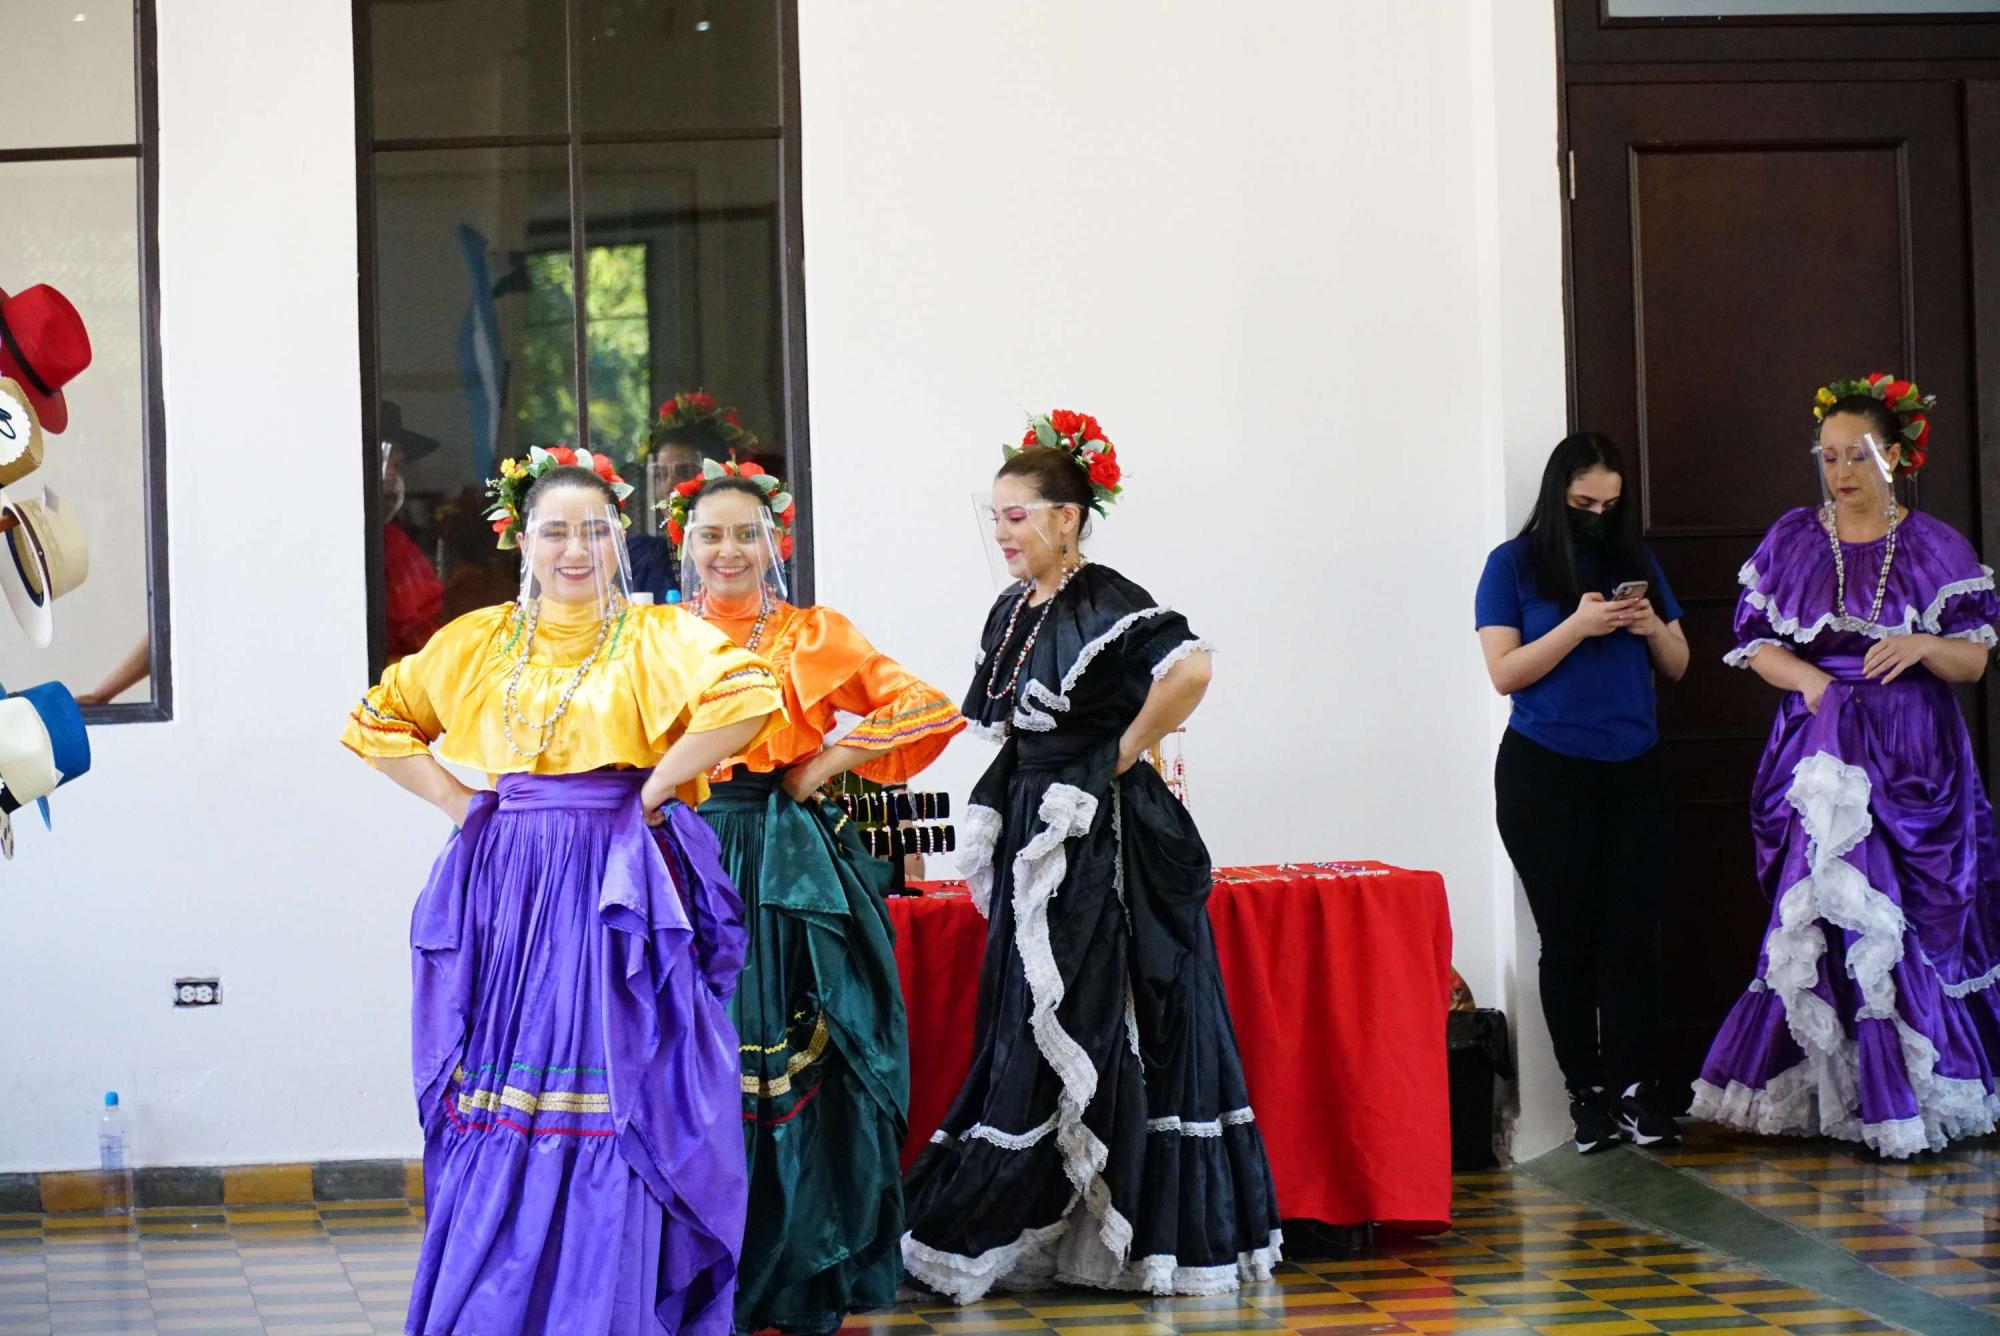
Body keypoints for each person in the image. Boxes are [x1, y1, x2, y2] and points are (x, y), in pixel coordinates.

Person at [341, 455, 784, 1335]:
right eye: (556, 531)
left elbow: (751, 693)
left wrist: (654, 791)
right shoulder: (480, 639)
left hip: (617, 877)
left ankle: (607, 1303)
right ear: (523, 544)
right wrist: (462, 802)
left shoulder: (657, 637)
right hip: (512, 884)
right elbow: (376, 720)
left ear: (621, 540)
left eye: (594, 530)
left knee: (618, 1078)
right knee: (513, 1081)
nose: (575, 549)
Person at [901, 411, 1280, 1300]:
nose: (1003, 532)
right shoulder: (1015, 609)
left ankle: (1123, 1230)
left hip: (1096, 834)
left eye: (1017, 515)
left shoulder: (1105, 595)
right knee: (1032, 1006)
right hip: (1040, 811)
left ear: (1066, 518)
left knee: (1093, 1007)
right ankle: (1061, 1221)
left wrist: (1117, 753)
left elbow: (1189, 667)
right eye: (995, 516)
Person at [665, 458, 965, 1334]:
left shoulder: (811, 633)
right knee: (690, 1051)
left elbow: (928, 706)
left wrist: (828, 761)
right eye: (711, 535)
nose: (729, 550)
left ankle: (794, 1267)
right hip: (682, 853)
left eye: (745, 534)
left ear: (774, 543)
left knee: (790, 1052)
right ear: (687, 545)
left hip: (783, 858)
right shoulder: (656, 636)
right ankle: (692, 1266)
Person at [1692, 374, 2000, 1158]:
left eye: (1857, 456)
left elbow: (1971, 664)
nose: (1841, 473)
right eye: (1828, 458)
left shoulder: (1935, 546)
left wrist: (1925, 645)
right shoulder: (1795, 538)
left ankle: (1915, 1098)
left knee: (1913, 918)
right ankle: (1834, 1098)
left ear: (1893, 457)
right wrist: (1814, 682)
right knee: (1824, 910)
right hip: (1824, 752)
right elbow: (1756, 644)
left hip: (1914, 752)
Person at [1475, 432, 1690, 1153]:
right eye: (1582, 503)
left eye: (1610, 503)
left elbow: (1681, 664)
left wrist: (1651, 623)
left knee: (1633, 936)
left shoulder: (1637, 562)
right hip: (1546, 772)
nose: (1597, 514)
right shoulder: (1511, 565)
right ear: (1556, 496)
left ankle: (1638, 1088)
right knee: (1567, 940)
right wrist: (1578, 625)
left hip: (1635, 767)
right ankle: (1586, 1094)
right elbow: (1505, 673)